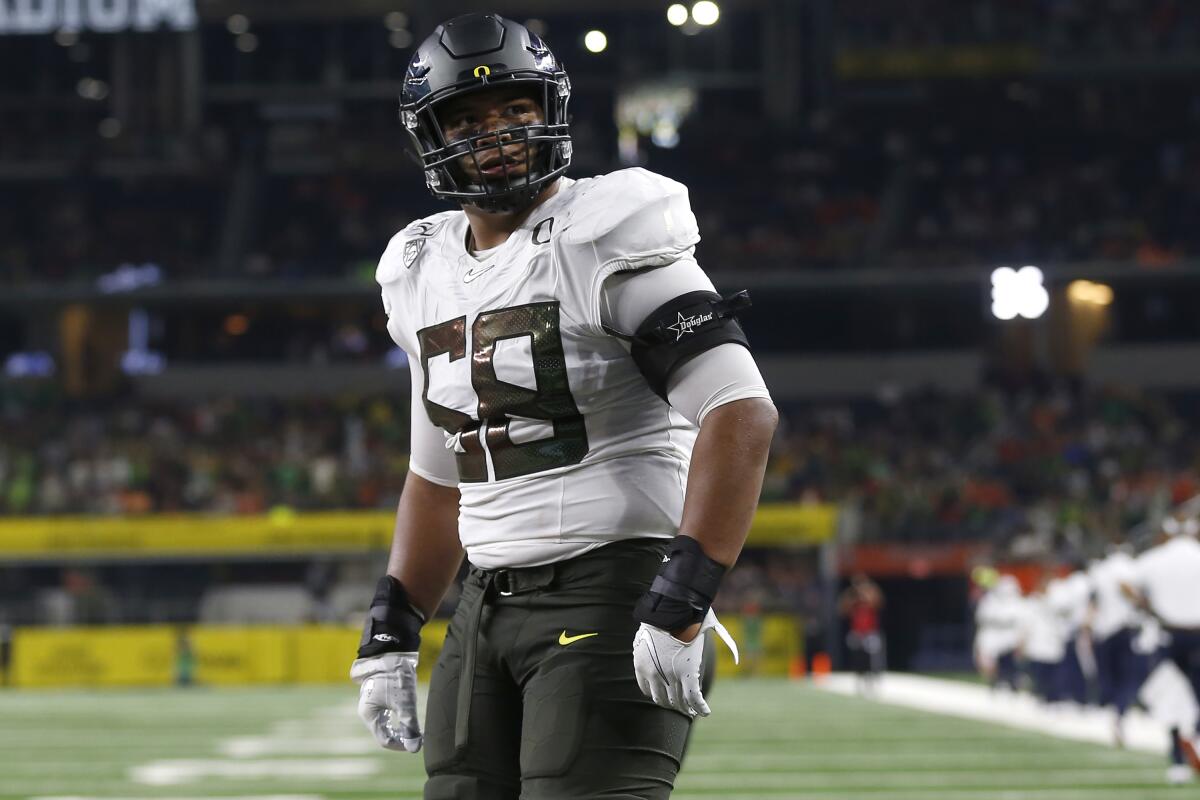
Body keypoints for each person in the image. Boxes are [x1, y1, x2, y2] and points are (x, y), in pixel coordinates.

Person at [347, 13, 777, 800]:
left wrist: (683, 597)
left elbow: (739, 410)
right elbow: (438, 475)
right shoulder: (420, 267)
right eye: (470, 119)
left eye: (517, 110)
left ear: (552, 113)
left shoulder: (604, 232)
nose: (501, 134)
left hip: (612, 583)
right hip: (486, 600)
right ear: (428, 135)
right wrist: (392, 626)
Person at [1125, 515, 1200, 782]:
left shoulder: (1156, 558)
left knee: (1173, 697)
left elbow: (1125, 583)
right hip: (1198, 633)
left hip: (1168, 634)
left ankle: (1177, 761)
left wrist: (1149, 609)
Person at [839, 573, 884, 694]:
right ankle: (859, 679)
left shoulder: (870, 593)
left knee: (872, 659)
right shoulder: (853, 598)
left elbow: (877, 603)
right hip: (857, 632)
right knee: (858, 658)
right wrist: (852, 594)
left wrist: (864, 592)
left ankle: (873, 680)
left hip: (870, 632)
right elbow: (842, 609)